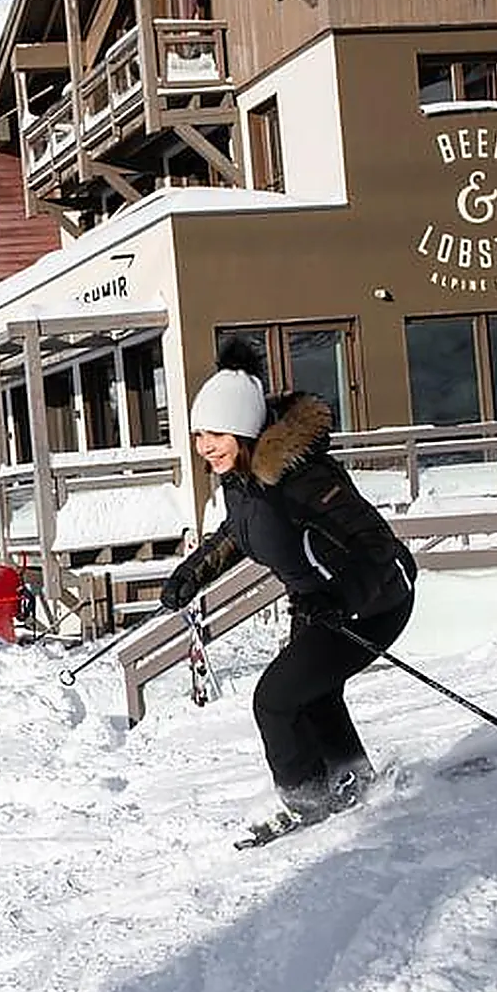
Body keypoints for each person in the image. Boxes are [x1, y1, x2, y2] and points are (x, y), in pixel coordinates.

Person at [160, 339, 417, 827]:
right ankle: (352, 782)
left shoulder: (303, 477)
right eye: (198, 434)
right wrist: (194, 572)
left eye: (215, 433)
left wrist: (341, 601)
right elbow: (241, 531)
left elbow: (373, 547)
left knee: (275, 701)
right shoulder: (240, 476)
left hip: (377, 599)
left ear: (241, 428)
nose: (204, 446)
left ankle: (309, 801)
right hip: (321, 604)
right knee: (312, 694)